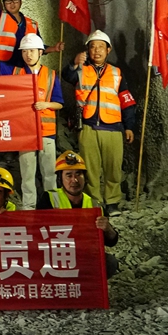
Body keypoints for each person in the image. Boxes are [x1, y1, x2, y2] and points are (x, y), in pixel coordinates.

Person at [0, 27, 63, 209]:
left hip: (47, 133)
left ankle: (53, 209)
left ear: (40, 52)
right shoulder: (16, 73)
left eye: (32, 51)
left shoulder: (51, 75)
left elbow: (59, 103)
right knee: (27, 175)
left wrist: (46, 105)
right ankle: (29, 209)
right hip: (26, 133)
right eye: (25, 51)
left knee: (49, 175)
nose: (28, 55)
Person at [62, 30, 137, 213]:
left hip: (113, 129)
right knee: (90, 169)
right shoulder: (81, 70)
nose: (97, 50)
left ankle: (112, 203)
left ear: (108, 50)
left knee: (113, 168)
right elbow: (66, 75)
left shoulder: (116, 73)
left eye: (101, 47)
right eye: (93, 47)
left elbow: (127, 102)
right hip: (88, 128)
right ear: (88, 50)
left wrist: (129, 127)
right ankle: (94, 203)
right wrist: (73, 63)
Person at [38, 150, 120, 276]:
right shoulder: (48, 199)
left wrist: (108, 228)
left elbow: (111, 241)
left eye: (78, 174)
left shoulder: (94, 205)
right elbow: (36, 233)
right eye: (69, 175)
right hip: (57, 257)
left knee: (110, 262)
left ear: (85, 177)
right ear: (60, 178)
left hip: (85, 257)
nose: (74, 180)